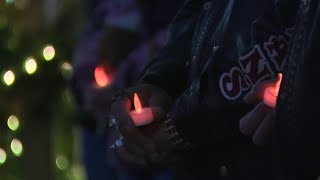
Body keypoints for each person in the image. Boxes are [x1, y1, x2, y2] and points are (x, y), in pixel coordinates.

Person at [110, 0, 300, 179]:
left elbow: (270, 50)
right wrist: (159, 82)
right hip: (198, 163)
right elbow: (195, 18)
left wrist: (178, 125)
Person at [70, 0, 183, 179]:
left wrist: (136, 70)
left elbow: (182, 40)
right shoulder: (101, 20)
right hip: (102, 124)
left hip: (162, 114)